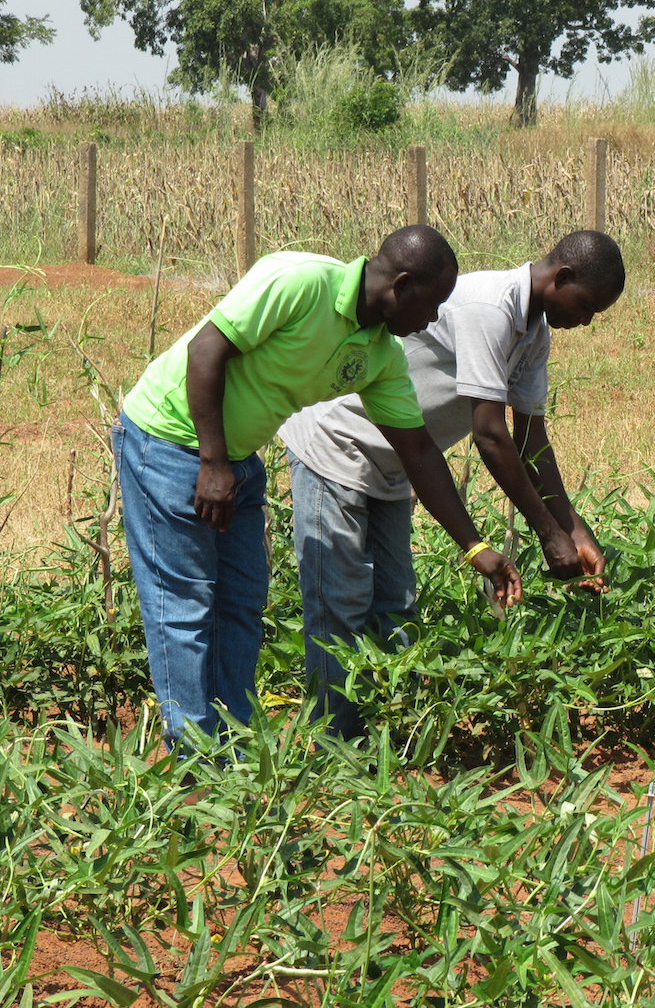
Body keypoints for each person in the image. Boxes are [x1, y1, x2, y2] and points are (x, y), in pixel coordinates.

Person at [115, 225, 521, 749]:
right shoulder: (300, 281)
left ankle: (233, 749)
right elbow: (206, 350)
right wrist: (212, 462)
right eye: (432, 303)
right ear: (401, 286)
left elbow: (418, 451)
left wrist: (476, 547)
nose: (435, 318)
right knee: (185, 606)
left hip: (234, 461)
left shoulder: (380, 355)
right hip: (167, 441)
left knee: (240, 603)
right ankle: (193, 757)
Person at [278, 230, 625, 739]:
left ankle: (388, 740)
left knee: (395, 606)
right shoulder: (491, 309)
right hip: (338, 442)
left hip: (399, 461)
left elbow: (532, 439)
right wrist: (547, 532)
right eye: (588, 306)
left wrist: (574, 529)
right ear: (563, 277)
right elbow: (490, 434)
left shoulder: (532, 333)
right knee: (341, 605)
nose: (588, 321)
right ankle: (336, 745)